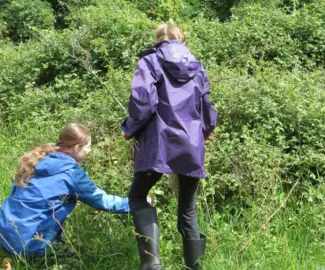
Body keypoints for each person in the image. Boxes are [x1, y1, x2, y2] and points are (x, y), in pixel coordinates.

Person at [121, 23, 217, 270]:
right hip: (191, 143)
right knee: (187, 208)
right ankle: (194, 267)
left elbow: (143, 103)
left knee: (138, 197)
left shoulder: (149, 62)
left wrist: (129, 129)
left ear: (158, 39)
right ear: (181, 39)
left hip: (158, 144)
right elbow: (205, 105)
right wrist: (206, 131)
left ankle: (152, 266)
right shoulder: (197, 66)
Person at [0, 123, 129, 257]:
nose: (90, 151)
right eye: (88, 147)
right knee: (77, 255)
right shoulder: (71, 173)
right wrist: (135, 202)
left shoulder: (37, 158)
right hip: (28, 246)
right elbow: (102, 201)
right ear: (77, 147)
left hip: (4, 234)